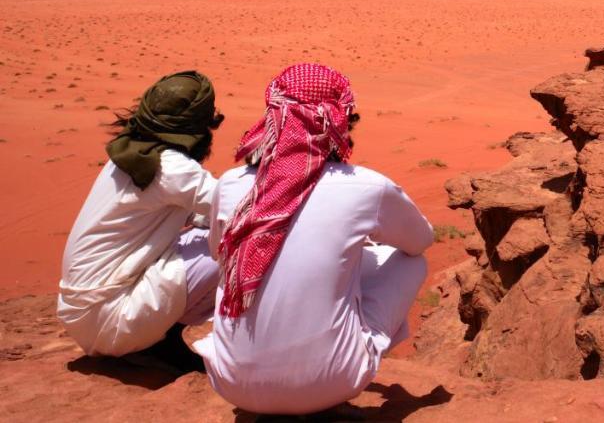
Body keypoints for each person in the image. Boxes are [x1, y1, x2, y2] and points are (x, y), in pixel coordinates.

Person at [196, 63, 433, 416]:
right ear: (341, 120)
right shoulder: (367, 186)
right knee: (410, 261)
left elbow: (218, 252)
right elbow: (421, 241)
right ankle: (333, 364)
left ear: (272, 117)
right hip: (332, 383)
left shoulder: (232, 184)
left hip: (232, 384)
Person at [57, 71, 222, 371]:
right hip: (111, 319)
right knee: (238, 246)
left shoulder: (130, 154)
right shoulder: (171, 168)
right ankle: (162, 342)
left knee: (206, 234)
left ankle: (162, 339)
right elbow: (241, 208)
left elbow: (195, 211)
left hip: (84, 313)